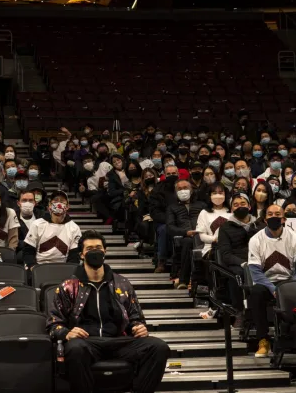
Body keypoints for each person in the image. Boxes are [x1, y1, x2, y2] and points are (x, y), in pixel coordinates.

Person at [47, 230, 170, 393]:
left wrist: (138, 326)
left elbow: (136, 316)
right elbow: (53, 324)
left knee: (159, 347)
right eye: (89, 248)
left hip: (119, 341)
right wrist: (67, 333)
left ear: (105, 251)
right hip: (87, 342)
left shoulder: (122, 284)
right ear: (82, 254)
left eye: (98, 247)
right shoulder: (68, 286)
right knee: (75, 349)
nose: (95, 251)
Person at [247, 204, 296, 357]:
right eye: (270, 214)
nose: (273, 217)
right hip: (266, 282)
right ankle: (263, 340)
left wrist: (287, 288)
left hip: (288, 281)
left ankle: (293, 338)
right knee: (256, 293)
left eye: (277, 214)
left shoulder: (294, 238)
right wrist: (273, 289)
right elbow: (255, 272)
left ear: (283, 219)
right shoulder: (255, 240)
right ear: (265, 219)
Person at [216, 193, 259, 311]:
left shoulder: (259, 225)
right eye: (235, 205)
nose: (239, 206)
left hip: (258, 260)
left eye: (243, 203)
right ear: (231, 209)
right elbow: (226, 255)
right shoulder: (225, 228)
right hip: (237, 264)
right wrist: (244, 263)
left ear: (249, 207)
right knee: (237, 274)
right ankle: (239, 312)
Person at [23, 190, 82, 268]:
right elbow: (28, 251)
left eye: (62, 201)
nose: (58, 203)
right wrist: (33, 268)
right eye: (55, 201)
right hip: (39, 267)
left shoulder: (74, 228)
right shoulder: (37, 224)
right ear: (49, 206)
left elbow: (74, 255)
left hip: (63, 268)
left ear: (67, 207)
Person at [166, 178, 206, 289]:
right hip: (184, 237)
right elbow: (170, 227)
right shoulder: (172, 207)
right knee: (188, 242)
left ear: (191, 190)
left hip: (202, 235)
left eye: (185, 188)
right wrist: (186, 232)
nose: (183, 191)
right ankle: (184, 280)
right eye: (179, 189)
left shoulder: (201, 205)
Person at [149, 164, 179, 272]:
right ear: (165, 175)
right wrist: (170, 220)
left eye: (174, 174)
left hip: (183, 220)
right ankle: (162, 261)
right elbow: (154, 212)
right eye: (169, 174)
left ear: (178, 174)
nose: (172, 176)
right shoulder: (157, 190)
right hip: (164, 221)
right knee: (164, 229)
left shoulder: (184, 187)